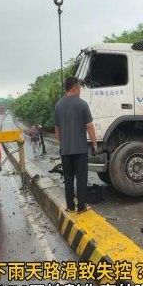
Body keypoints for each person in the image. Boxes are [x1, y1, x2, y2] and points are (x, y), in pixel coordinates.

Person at [55, 76, 97, 213]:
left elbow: (57, 129)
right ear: (74, 88)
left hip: (65, 150)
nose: (80, 90)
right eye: (79, 88)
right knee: (81, 179)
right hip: (80, 151)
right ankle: (81, 207)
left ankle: (70, 206)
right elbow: (89, 126)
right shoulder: (82, 104)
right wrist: (95, 144)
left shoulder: (58, 105)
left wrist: (62, 144)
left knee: (68, 179)